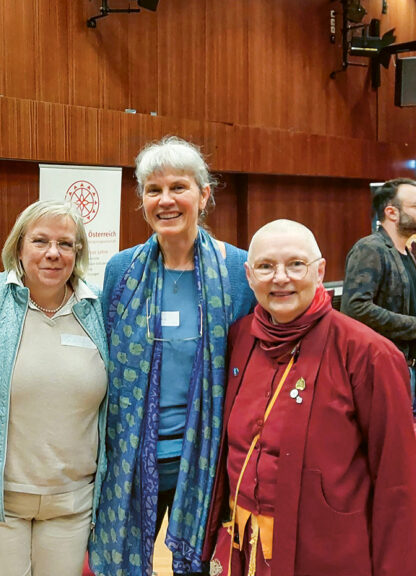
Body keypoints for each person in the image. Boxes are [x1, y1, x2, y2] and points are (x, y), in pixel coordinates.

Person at [205, 219, 416, 576]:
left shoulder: (369, 355)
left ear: (320, 270)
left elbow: (396, 485)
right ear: (249, 276)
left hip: (325, 553)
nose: (280, 278)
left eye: (296, 264)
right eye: (265, 266)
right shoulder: (240, 338)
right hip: (242, 549)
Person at [90, 136, 255, 576]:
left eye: (178, 187)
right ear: (142, 200)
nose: (165, 200)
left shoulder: (238, 271)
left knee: (199, 566)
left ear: (204, 196)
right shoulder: (121, 271)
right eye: (153, 189)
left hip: (204, 457)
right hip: (129, 455)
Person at [0, 200, 109, 575]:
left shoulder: (98, 308)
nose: (53, 254)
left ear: (78, 252)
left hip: (71, 504)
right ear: (19, 247)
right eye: (41, 241)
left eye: (65, 243)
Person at [341, 178, 416, 398]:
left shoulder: (408, 252)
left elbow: (402, 306)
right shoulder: (370, 249)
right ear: (392, 212)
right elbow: (356, 309)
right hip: (379, 371)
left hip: (408, 367)